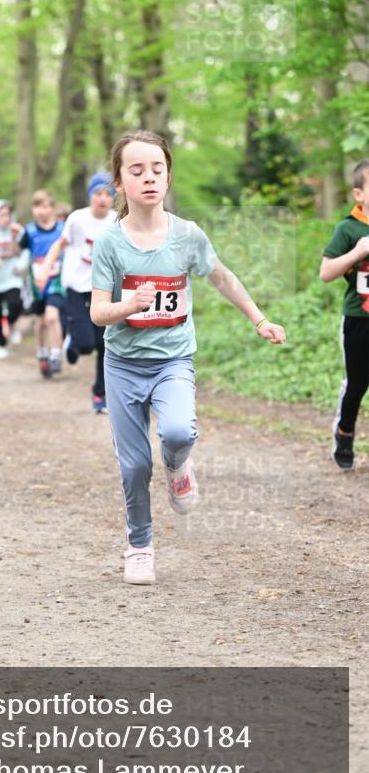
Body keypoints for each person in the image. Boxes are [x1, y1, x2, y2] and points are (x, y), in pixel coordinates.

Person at [90, 131, 286, 586]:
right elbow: (99, 313)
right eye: (136, 171)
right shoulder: (110, 243)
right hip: (122, 364)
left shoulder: (187, 236)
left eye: (157, 169)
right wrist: (128, 306)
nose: (149, 178)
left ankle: (178, 466)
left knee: (178, 431)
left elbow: (222, 278)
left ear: (168, 175)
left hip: (173, 359)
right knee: (135, 464)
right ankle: (139, 545)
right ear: (119, 182)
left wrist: (259, 320)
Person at [37, 171, 117, 412]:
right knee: (85, 345)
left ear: (113, 198)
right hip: (75, 286)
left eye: (107, 194)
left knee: (104, 344)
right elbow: (59, 245)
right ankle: (72, 342)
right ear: (90, 196)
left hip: (103, 288)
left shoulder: (117, 221)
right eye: (97, 193)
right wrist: (44, 269)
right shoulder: (77, 219)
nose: (102, 198)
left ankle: (99, 394)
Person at [320, 158, 369, 471]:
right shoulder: (348, 229)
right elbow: (326, 272)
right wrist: (358, 251)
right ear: (358, 194)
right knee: (358, 383)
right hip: (359, 319)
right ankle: (344, 432)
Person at [19, 189, 66, 378]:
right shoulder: (29, 231)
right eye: (37, 206)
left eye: (45, 206)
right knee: (40, 321)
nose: (41, 211)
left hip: (57, 279)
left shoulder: (63, 229)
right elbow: (18, 249)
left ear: (53, 209)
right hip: (37, 281)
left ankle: (56, 354)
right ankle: (42, 352)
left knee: (52, 316)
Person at [0, 200, 28, 359]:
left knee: (16, 304)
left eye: (8, 215)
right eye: (2, 215)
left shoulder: (17, 231)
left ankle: (11, 323)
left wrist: (21, 265)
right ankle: (1, 344)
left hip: (11, 278)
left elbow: (25, 251)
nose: (6, 218)